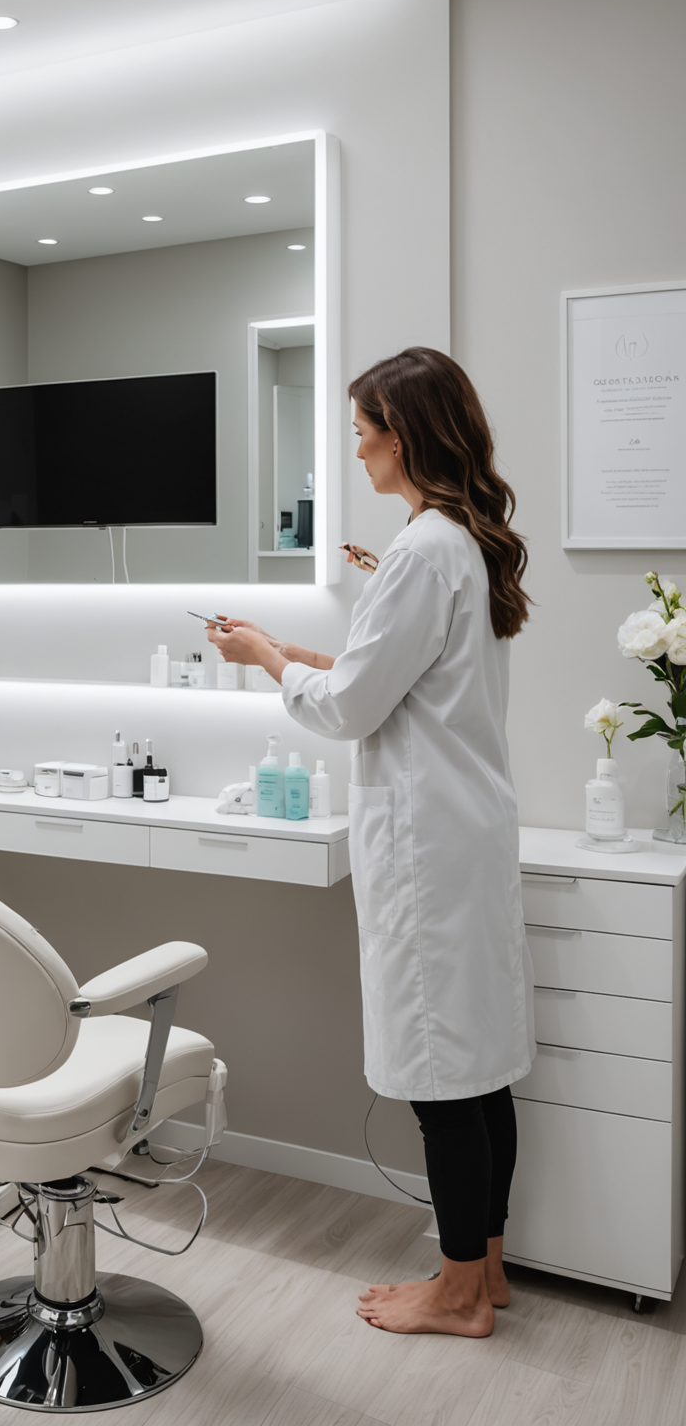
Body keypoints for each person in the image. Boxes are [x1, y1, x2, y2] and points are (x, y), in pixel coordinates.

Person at [208, 347, 533, 1338]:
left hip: (427, 842)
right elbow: (399, 675)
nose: (353, 450)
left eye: (360, 431)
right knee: (479, 1066)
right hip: (465, 829)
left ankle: (455, 1292)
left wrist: (265, 658)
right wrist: (305, 650)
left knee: (442, 1078)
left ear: (404, 433)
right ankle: (488, 1271)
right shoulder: (461, 541)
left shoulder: (423, 548)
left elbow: (351, 709)